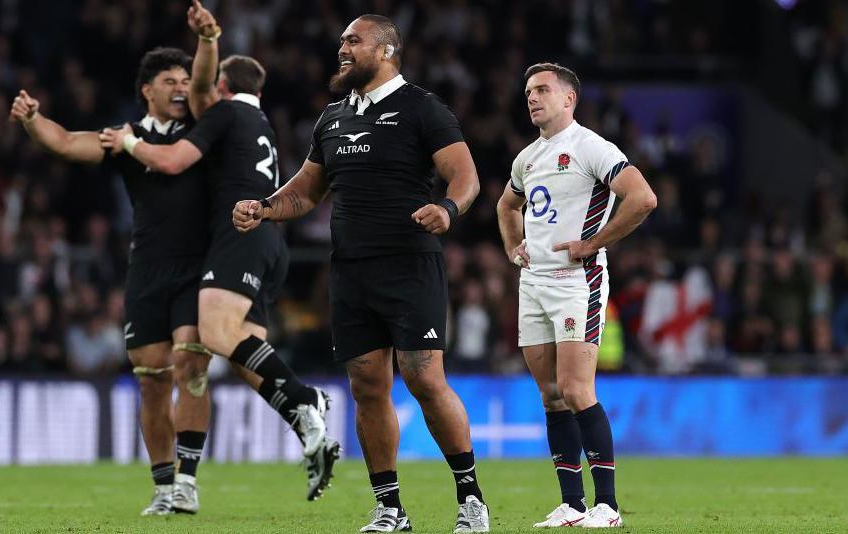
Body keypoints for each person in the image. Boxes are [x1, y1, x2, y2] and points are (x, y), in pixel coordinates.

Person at [231, 14, 488, 533]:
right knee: (367, 386)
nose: (342, 49)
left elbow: (465, 176)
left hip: (409, 265)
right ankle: (390, 508)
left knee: (423, 378)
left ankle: (470, 499)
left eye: (354, 41)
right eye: (341, 42)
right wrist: (263, 207)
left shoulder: (421, 108)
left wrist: (448, 210)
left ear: (386, 50)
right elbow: (305, 191)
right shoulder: (332, 118)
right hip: (350, 272)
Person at [10, 2, 226, 515]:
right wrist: (34, 120)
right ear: (147, 89)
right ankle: (163, 486)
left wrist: (208, 40)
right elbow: (64, 143)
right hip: (147, 272)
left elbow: (204, 77)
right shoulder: (124, 136)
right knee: (152, 380)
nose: (181, 86)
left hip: (198, 269)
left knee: (190, 365)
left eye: (185, 77)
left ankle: (189, 482)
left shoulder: (204, 128)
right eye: (169, 79)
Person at [98, 55, 339, 501]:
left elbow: (171, 161)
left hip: (239, 232)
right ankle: (309, 427)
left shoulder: (226, 112)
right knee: (244, 351)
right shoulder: (260, 121)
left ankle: (306, 399)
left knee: (213, 332)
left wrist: (130, 142)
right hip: (269, 239)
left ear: (220, 86)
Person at [496, 62, 657, 528]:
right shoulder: (527, 158)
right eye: (528, 90)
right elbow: (507, 204)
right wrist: (512, 246)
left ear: (569, 99)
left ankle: (606, 506)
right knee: (550, 395)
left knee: (575, 388)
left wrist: (591, 245)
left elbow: (643, 198)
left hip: (576, 282)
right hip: (534, 283)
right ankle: (572, 504)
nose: (532, 97)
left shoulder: (592, 147)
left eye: (542, 89)